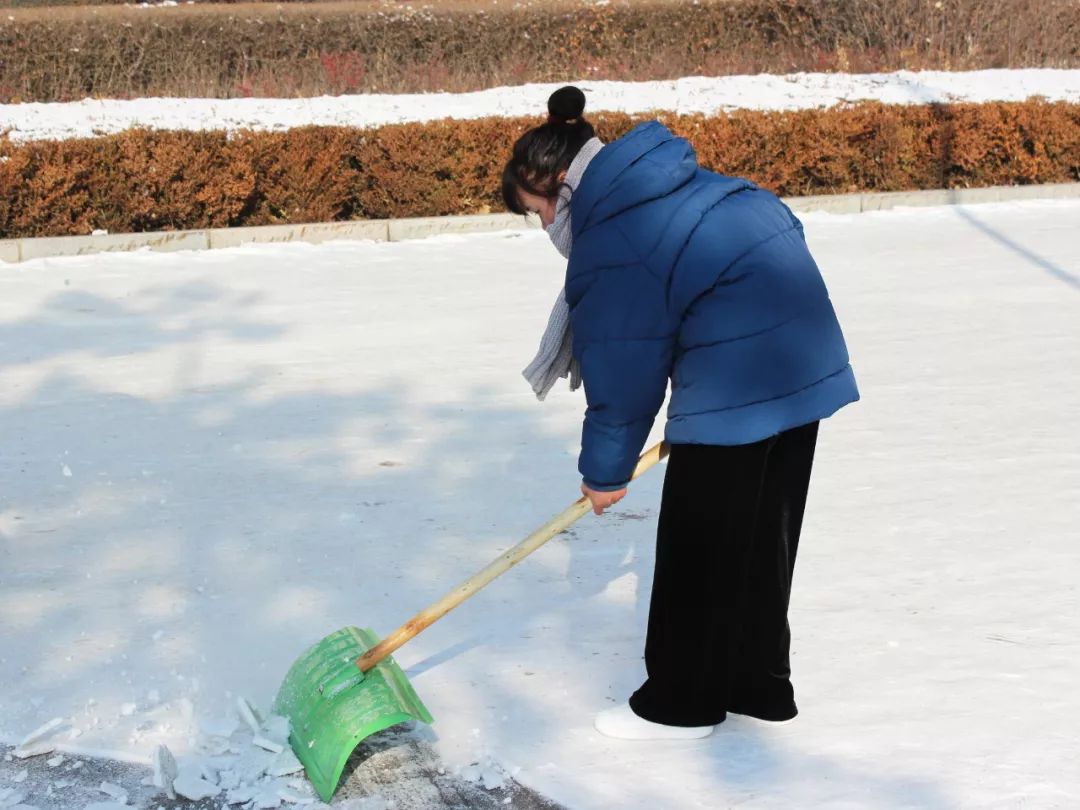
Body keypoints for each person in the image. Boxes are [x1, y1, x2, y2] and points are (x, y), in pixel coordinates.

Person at [502, 87, 859, 740]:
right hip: (803, 360)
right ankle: (758, 685)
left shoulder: (616, 231)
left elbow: (625, 370)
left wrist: (605, 471)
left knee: (699, 545)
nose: (548, 230)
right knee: (757, 539)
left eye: (539, 214)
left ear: (557, 185)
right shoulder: (669, 182)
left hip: (739, 373)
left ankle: (680, 703)